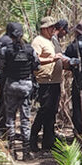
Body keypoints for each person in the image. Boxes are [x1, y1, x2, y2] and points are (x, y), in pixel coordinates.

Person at [0, 23, 39, 160]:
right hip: (26, 86)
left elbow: (0, 67)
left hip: (11, 85)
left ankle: (12, 151)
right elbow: (36, 65)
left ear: (10, 35)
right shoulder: (30, 50)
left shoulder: (6, 50)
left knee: (10, 118)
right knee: (25, 119)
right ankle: (26, 152)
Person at [30, 16, 64, 153]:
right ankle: (33, 138)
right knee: (44, 111)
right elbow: (35, 60)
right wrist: (52, 59)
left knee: (52, 112)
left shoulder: (52, 41)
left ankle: (48, 141)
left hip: (55, 81)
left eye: (54, 27)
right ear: (44, 29)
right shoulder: (38, 41)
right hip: (44, 82)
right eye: (51, 27)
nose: (53, 30)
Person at [63, 23, 82, 139]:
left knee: (77, 107)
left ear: (77, 33)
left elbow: (66, 63)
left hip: (78, 80)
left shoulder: (73, 46)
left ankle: (79, 131)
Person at [0, 23, 19, 139]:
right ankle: (4, 130)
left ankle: (3, 129)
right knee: (6, 103)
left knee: (3, 101)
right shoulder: (7, 41)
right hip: (7, 76)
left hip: (3, 75)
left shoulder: (3, 39)